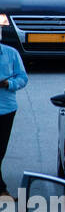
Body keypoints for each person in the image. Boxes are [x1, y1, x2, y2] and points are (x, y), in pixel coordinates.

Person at [0, 41, 28, 198]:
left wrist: (8, 83)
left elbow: (23, 78)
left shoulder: (12, 54)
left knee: (1, 150)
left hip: (6, 110)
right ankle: (1, 190)